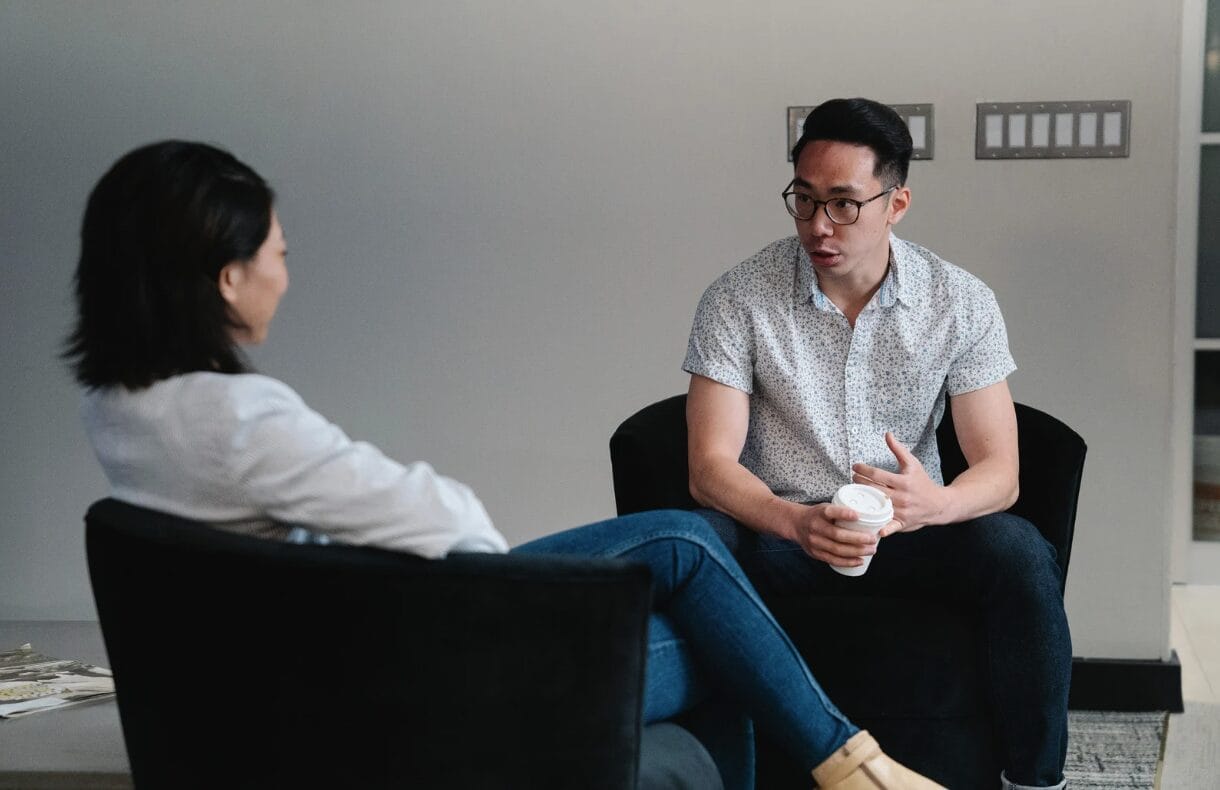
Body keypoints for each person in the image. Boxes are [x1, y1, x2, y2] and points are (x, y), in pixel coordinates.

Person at [65, 140, 942, 790]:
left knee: (681, 537)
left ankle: (847, 764)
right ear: (225, 277)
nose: (285, 272)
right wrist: (519, 613)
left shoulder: (124, 405)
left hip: (319, 652)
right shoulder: (236, 416)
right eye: (278, 253)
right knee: (724, 640)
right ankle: (852, 765)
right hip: (400, 672)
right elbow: (452, 527)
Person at [683, 97, 1072, 790]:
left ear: (896, 204)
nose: (817, 226)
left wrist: (935, 506)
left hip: (909, 531)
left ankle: (1036, 781)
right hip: (783, 534)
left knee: (1017, 551)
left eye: (842, 204)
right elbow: (710, 467)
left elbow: (1001, 472)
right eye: (802, 201)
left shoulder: (960, 300)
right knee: (695, 544)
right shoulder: (738, 298)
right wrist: (795, 522)